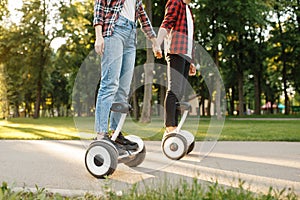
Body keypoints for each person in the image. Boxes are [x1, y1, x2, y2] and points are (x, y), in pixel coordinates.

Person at [93, 0, 161, 154]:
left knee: (123, 89)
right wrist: (99, 35)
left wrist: (155, 41)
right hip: (114, 29)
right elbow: (100, 5)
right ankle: (101, 135)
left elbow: (142, 15)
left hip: (131, 34)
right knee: (110, 84)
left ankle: (115, 134)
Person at [155, 0, 196, 133]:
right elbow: (167, 22)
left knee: (180, 92)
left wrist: (191, 61)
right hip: (176, 51)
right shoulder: (175, 1)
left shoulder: (188, 10)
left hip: (185, 54)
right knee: (174, 89)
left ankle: (174, 127)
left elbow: (190, 38)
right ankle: (170, 127)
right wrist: (157, 43)